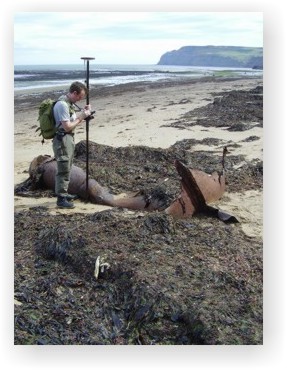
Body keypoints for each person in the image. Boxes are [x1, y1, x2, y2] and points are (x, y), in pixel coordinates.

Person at [52, 81, 92, 209]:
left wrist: (83, 115)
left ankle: (64, 193)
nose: (80, 99)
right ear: (74, 93)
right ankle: (61, 199)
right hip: (62, 139)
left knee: (68, 166)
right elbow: (68, 126)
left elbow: (72, 121)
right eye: (80, 97)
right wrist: (81, 117)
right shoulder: (62, 105)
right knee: (63, 168)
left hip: (68, 139)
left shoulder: (68, 104)